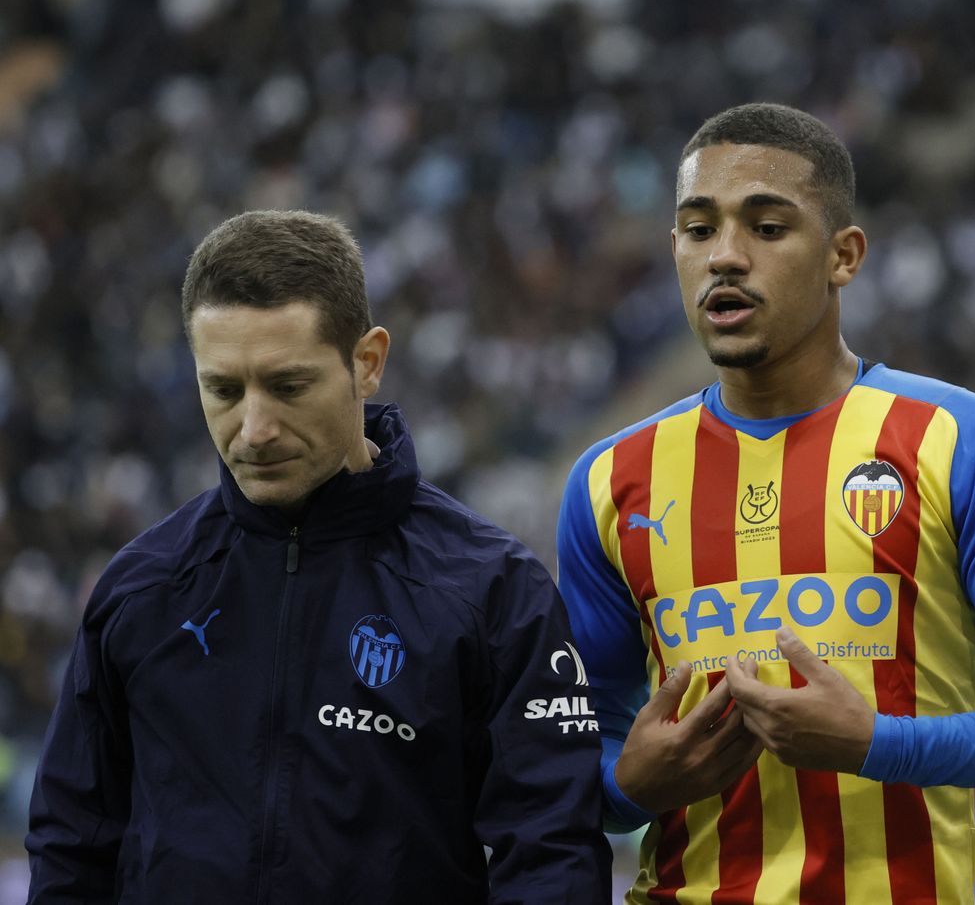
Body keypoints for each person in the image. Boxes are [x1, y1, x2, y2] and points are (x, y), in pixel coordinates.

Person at [557, 102, 975, 904]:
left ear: (843, 256)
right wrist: (626, 788)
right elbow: (582, 749)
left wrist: (875, 742)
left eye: (768, 227)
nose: (725, 257)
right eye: (697, 228)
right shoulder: (610, 481)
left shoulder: (965, 439)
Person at [26, 211, 610, 903]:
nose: (254, 428)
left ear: (366, 362)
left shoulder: (493, 590)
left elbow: (550, 855)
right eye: (223, 389)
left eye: (288, 384)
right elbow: (71, 848)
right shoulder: (141, 590)